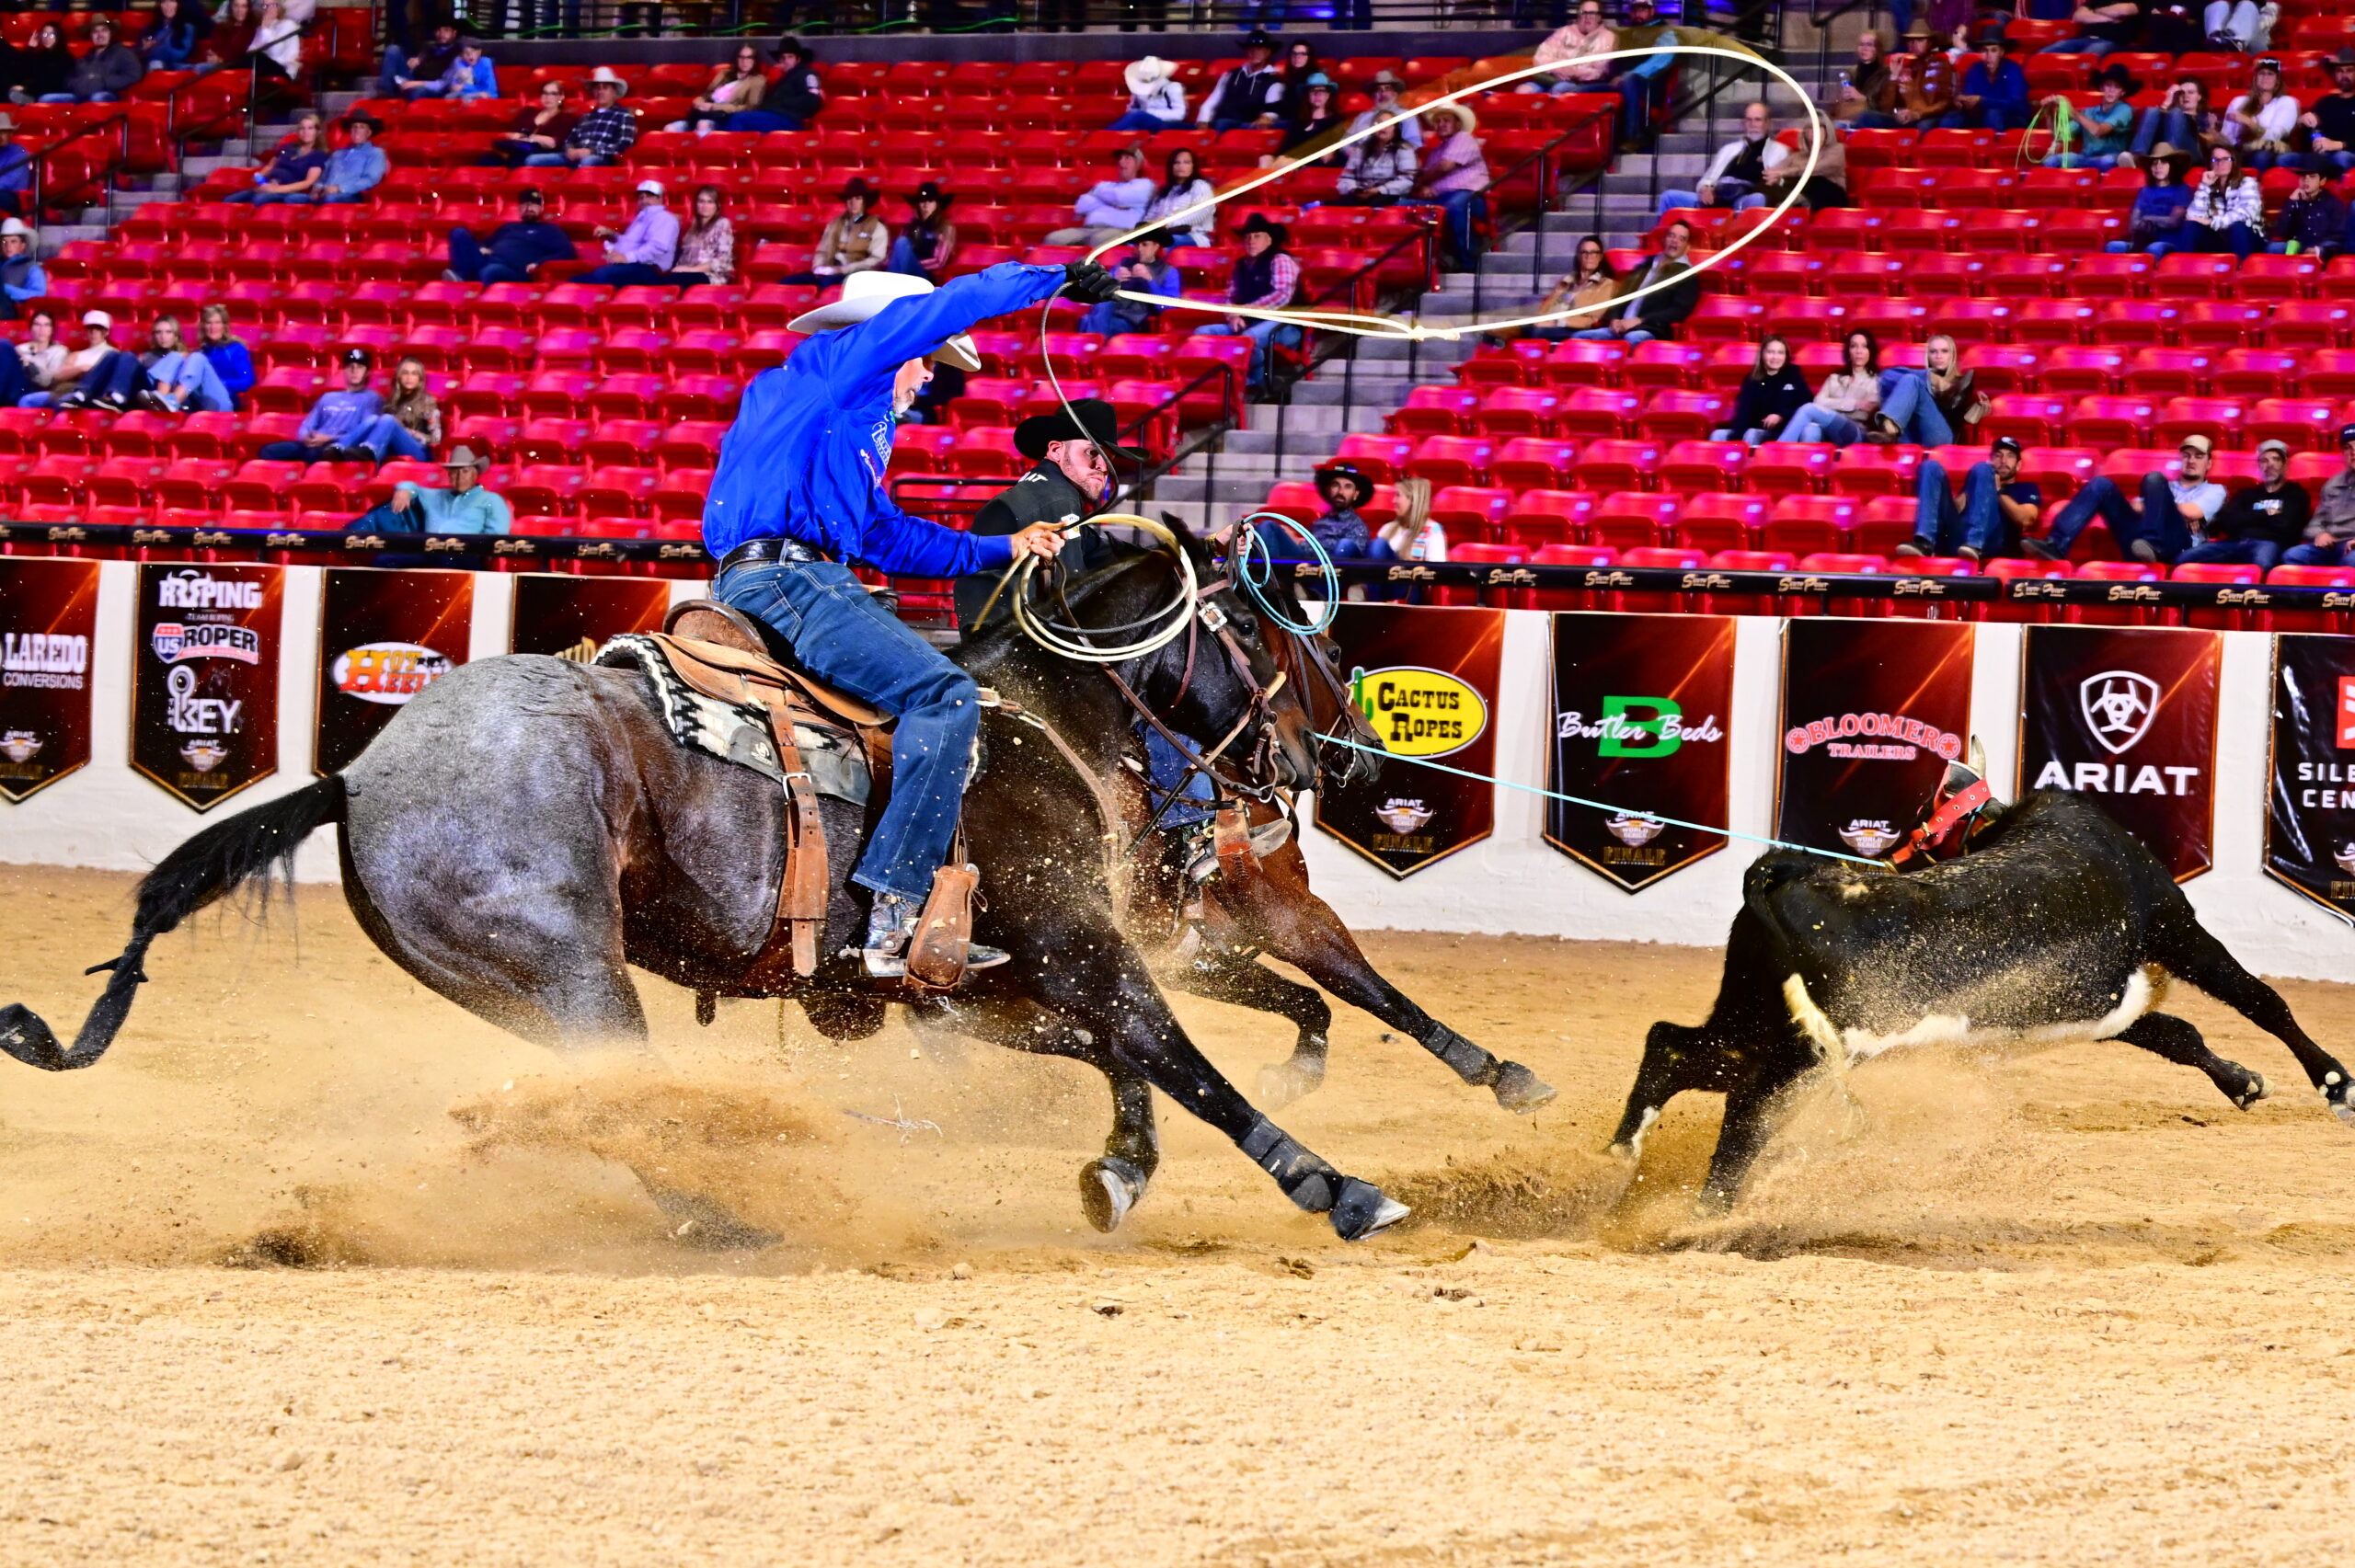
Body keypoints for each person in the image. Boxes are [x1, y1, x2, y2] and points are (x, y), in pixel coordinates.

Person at [702, 258, 1120, 978]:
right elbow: (946, 308)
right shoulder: (844, 366)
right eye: (925, 360)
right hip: (793, 579)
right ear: (891, 340)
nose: (928, 376)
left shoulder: (823, 406)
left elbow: (885, 536)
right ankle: (896, 909)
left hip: (759, 576)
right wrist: (1052, 279)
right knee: (946, 694)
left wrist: (1004, 545)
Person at [950, 395, 1149, 630]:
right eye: (1091, 452)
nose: (1102, 466)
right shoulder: (1059, 499)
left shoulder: (1045, 491)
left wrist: (1160, 557)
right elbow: (1070, 592)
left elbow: (1092, 548)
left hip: (991, 633)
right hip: (1011, 640)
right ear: (1056, 450)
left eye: (1109, 458)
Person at [2026, 432, 2226, 563]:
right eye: (2187, 455)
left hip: (2178, 546)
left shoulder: (2215, 490)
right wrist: (2163, 507)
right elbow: (2135, 506)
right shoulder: (2165, 488)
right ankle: (2056, 544)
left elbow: (2193, 511)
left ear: (2209, 463)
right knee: (2101, 484)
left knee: (2154, 478)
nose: (2191, 461)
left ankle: (2154, 544)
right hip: (2138, 544)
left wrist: (2158, 507)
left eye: (2198, 456)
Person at [1189, 213, 1299, 392]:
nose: (1251, 241)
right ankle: (1244, 382)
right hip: (1249, 322)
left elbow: (1282, 296)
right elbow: (1229, 298)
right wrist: (1233, 316)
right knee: (1202, 333)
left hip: (1283, 324)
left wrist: (1244, 311)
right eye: (1248, 237)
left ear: (1269, 240)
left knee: (1247, 339)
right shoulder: (1241, 265)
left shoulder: (1280, 260)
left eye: (1257, 236)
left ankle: (1256, 383)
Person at [1901, 435, 2041, 562]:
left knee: (1982, 468)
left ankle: (1975, 544)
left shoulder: (2026, 488)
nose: (2003, 461)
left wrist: (1998, 492)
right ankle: (1924, 542)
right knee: (1930, 466)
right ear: (1991, 460)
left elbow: (2026, 521)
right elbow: (1953, 516)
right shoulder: (1979, 479)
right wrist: (1967, 495)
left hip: (1994, 541)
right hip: (1959, 540)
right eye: (1998, 456)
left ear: (2018, 465)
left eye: (2010, 456)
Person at [2177, 440, 2309, 571]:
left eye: (2276, 459)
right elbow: (2227, 522)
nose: (2270, 465)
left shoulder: (2295, 494)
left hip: (2269, 544)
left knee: (2262, 564)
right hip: (2235, 542)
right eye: (2264, 461)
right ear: (2259, 465)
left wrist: (2247, 518)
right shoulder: (2247, 493)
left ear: (2284, 464)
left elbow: (2287, 527)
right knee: (2184, 558)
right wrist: (2267, 513)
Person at [1571, 218, 1698, 343]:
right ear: (1664, 239)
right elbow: (1622, 294)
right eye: (1671, 235)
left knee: (1632, 338)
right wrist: (1615, 318)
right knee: (1578, 338)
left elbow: (1678, 311)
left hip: (1651, 329)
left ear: (1687, 247)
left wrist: (1640, 320)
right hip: (1620, 328)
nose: (1675, 241)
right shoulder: (1646, 264)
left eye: (1681, 239)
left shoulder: (1686, 275)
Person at [1655, 100, 1784, 216]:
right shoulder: (1729, 149)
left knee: (1758, 199)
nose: (1752, 124)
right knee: (1669, 197)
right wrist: (1705, 189)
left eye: (1758, 120)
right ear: (1743, 123)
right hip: (1716, 196)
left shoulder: (1779, 151)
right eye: (1748, 120)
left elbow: (1783, 184)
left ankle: (1740, 233)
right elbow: (1706, 180)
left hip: (1742, 199)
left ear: (1768, 123)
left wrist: (1777, 180)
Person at [257, 349, 385, 464]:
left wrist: (329, 438)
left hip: (336, 446)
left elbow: (362, 431)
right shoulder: (328, 397)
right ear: (344, 371)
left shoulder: (372, 398)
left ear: (367, 372)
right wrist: (306, 437)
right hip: (312, 442)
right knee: (268, 450)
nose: (354, 371)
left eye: (359, 367)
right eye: (350, 367)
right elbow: (308, 424)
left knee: (312, 454)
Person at [347, 447, 512, 535]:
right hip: (429, 550)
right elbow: (412, 486)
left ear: (475, 474)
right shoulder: (436, 495)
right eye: (454, 472)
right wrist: (404, 490)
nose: (459, 476)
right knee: (386, 559)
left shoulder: (491, 500)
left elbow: (497, 535)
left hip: (465, 554)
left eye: (465, 471)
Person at [1867, 333, 1988, 446]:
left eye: (1944, 351)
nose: (1938, 356)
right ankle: (1890, 429)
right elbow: (1886, 377)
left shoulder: (1961, 383)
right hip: (1909, 436)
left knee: (1911, 379)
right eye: (1933, 352)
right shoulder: (1918, 381)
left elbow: (1969, 417)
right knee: (1900, 379)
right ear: (1928, 356)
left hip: (1941, 438)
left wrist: (1978, 404)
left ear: (1953, 355)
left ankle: (1889, 427)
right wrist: (1931, 377)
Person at [1408, 104, 1490, 269]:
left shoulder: (1463, 138)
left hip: (1470, 196)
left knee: (1453, 207)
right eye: (1438, 121)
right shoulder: (1435, 151)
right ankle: (1425, 263)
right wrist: (1423, 188)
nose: (1441, 124)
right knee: (1402, 206)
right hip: (1440, 197)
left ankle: (1470, 263)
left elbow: (1444, 167)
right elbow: (1429, 177)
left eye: (1446, 120)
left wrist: (1422, 182)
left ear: (1458, 124)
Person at [444, 187, 576, 285]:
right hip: (486, 260)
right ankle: (462, 277)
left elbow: (567, 252)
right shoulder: (509, 227)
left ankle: (465, 282)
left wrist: (539, 263)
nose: (528, 208)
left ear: (541, 208)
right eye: (524, 204)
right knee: (459, 233)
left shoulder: (550, 230)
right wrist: (482, 247)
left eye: (533, 204)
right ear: (519, 209)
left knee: (491, 271)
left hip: (512, 270)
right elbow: (486, 242)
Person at [1775, 329, 1882, 446]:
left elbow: (1865, 413)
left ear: (1871, 351)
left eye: (1864, 347)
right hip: (1828, 429)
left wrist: (1832, 406)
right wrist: (1855, 404)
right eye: (1853, 346)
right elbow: (1818, 402)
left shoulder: (1877, 381)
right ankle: (1806, 458)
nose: (1859, 351)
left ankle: (1779, 449)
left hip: (1856, 431)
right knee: (1810, 429)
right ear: (1848, 351)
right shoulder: (1834, 378)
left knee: (1808, 409)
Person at [777, 179, 888, 285]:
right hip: (829, 271)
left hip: (854, 275)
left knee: (827, 283)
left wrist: (843, 269)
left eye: (858, 198)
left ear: (864, 201)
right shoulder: (835, 224)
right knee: (787, 281)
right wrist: (818, 267)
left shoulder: (876, 227)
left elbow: (877, 259)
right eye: (849, 198)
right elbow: (822, 251)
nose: (853, 202)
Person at [574, 180, 682, 288]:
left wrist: (627, 257)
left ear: (660, 199)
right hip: (633, 266)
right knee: (578, 279)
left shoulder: (664, 218)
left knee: (600, 276)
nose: (644, 201)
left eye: (649, 196)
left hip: (649, 269)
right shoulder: (641, 218)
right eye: (641, 197)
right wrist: (613, 235)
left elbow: (657, 247)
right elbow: (630, 243)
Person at [525, 67, 636, 168]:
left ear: (614, 92)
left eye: (605, 88)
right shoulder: (586, 116)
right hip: (576, 155)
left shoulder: (624, 115)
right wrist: (570, 149)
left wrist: (591, 151)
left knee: (588, 161)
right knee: (533, 160)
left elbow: (623, 145)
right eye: (597, 88)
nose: (600, 92)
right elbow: (570, 139)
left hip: (601, 157)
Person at [1044, 147, 1155, 247]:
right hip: (1090, 229)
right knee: (1053, 239)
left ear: (1139, 164)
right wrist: (1112, 202)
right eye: (1120, 159)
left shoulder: (1145, 184)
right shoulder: (1106, 186)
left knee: (1097, 240)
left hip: (1122, 230)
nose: (1121, 162)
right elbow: (1082, 205)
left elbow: (1119, 197)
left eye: (1127, 158)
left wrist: (1100, 196)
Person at [1079, 228, 1180, 337]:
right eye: (1137, 245)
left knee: (1087, 322)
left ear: (1156, 247)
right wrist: (1114, 279)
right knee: (1093, 313)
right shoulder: (1123, 264)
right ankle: (1094, 339)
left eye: (1144, 245)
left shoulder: (1169, 272)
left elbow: (1167, 309)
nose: (1139, 249)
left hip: (1136, 322)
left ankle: (1093, 340)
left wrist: (1150, 280)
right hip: (1110, 315)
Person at [2169, 144, 2264, 259]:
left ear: (2233, 162)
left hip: (2248, 238)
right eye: (2215, 160)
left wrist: (2212, 222)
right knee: (2191, 226)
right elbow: (2192, 217)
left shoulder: (2247, 183)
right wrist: (2204, 186)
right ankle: (2182, 267)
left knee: (2238, 227)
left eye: (2226, 159)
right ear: (2210, 164)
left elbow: (2245, 214)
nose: (2220, 163)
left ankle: (2242, 269)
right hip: (2219, 239)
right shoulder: (2209, 186)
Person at [1714, 335, 1810, 444]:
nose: (1775, 357)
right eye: (1770, 352)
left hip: (1782, 431)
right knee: (1717, 434)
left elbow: (1806, 406)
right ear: (1762, 354)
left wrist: (1781, 415)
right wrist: (1736, 438)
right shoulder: (1752, 379)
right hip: (1756, 427)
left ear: (1786, 356)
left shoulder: (1793, 375)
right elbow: (1743, 412)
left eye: (1780, 353)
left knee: (1752, 434)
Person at [2282, 422, 2355, 567]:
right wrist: (2320, 534)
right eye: (2347, 448)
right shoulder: (2333, 484)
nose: (2353, 452)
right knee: (2292, 556)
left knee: (2351, 561)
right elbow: (2316, 522)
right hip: (2332, 544)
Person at [1523, 235, 1618, 342]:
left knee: (1538, 332)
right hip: (1549, 324)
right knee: (1517, 327)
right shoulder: (1566, 281)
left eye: (1594, 252)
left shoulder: (1607, 284)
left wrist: (1556, 322)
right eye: (1584, 252)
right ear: (1578, 256)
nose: (1589, 256)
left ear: (1600, 257)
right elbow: (1544, 310)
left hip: (1574, 328)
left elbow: (1593, 319)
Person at [2042, 63, 2135, 169]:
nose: (2111, 90)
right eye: (2108, 85)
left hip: (2109, 157)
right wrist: (2050, 113)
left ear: (2123, 92)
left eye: (2117, 87)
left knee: (2107, 161)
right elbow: (2060, 135)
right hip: (2085, 158)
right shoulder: (2089, 112)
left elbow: (2099, 131)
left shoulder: (2124, 109)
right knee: (2051, 161)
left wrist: (2072, 112)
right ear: (2102, 88)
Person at [2108, 142, 2194, 253]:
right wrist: (2155, 221)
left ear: (2171, 166)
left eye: (2163, 162)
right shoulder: (2145, 191)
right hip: (2143, 239)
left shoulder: (2182, 190)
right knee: (2113, 246)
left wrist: (2147, 218)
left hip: (2167, 241)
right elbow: (2133, 224)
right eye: (2154, 163)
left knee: (2155, 248)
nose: (2158, 167)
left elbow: (2173, 221)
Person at [222, 112, 327, 204]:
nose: (305, 132)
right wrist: (260, 179)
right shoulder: (288, 147)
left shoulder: (318, 155)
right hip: (268, 185)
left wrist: (276, 189)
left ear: (318, 132)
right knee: (229, 200)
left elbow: (308, 183)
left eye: (310, 128)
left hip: (286, 190)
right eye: (302, 128)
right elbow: (270, 166)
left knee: (259, 199)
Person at [353, 355, 440, 462]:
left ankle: (369, 449)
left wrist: (408, 432)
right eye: (405, 373)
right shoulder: (391, 401)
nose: (409, 377)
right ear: (399, 377)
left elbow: (435, 439)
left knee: (388, 420)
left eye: (414, 374)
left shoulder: (427, 402)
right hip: (394, 448)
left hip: (420, 452)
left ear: (420, 379)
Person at [1198, 29, 1284, 133]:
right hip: (1219, 121)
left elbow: (1273, 109)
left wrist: (1267, 117)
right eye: (1251, 49)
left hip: (1246, 126)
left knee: (1223, 124)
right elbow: (1213, 100)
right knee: (1179, 127)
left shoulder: (1273, 80)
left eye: (1259, 49)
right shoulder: (1231, 74)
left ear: (1268, 52)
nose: (1254, 52)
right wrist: (1203, 120)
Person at [2223, 56, 2299, 172]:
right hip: (2239, 150)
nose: (2265, 77)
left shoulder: (2286, 102)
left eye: (2270, 74)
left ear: (2278, 80)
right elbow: (2227, 136)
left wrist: (2248, 122)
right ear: (2255, 78)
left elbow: (2274, 136)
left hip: (2270, 151)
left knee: (2261, 156)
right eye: (2261, 73)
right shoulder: (2238, 101)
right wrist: (2212, 130)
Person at [658, 185, 735, 290]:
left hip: (711, 275)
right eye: (701, 201)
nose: (705, 206)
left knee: (674, 280)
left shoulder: (722, 224)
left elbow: (722, 260)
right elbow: (684, 257)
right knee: (659, 279)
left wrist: (691, 270)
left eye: (710, 202)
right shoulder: (693, 226)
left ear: (717, 205)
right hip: (688, 273)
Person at [1529, 1, 1616, 95]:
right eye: (1584, 13)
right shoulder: (1564, 32)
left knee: (1560, 89)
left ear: (1599, 17)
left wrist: (1567, 70)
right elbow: (1540, 58)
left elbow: (1597, 72)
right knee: (1525, 89)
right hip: (1551, 78)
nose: (1588, 17)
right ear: (1578, 15)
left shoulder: (1607, 37)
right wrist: (1562, 69)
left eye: (1592, 13)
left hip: (1581, 84)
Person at [678, 42, 767, 133]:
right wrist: (699, 102)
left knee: (702, 124)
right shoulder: (724, 74)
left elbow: (750, 107)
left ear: (755, 60)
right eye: (741, 57)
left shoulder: (758, 80)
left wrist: (713, 107)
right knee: (671, 128)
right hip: (703, 112)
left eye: (749, 58)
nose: (744, 61)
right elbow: (707, 94)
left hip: (724, 116)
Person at [484, 80, 574, 168]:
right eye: (545, 93)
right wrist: (522, 137)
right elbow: (509, 134)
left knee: (523, 159)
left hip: (540, 154)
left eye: (553, 94)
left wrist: (527, 137)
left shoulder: (566, 118)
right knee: (487, 159)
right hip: (516, 149)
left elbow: (553, 143)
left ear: (561, 97)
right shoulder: (528, 112)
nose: (547, 97)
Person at [1949, 35, 2029, 132]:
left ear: (2001, 52)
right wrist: (1962, 101)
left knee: (1993, 114)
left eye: (1993, 50)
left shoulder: (2013, 69)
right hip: (1981, 115)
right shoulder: (1975, 69)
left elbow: (2016, 104)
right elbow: (1969, 96)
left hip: (2013, 117)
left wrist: (1983, 100)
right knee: (1952, 118)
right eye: (1984, 50)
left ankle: (1995, 142)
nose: (1988, 55)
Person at [2128, 78, 2219, 163]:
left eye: (2191, 92)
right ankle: (2136, 157)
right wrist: (2168, 100)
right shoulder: (2169, 114)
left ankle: (2170, 159)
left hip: (2189, 154)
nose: (2186, 96)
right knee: (2152, 111)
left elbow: (2215, 146)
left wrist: (2211, 128)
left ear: (2199, 97)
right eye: (2181, 93)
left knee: (2176, 112)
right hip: (2159, 151)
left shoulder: (2205, 116)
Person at [1138, 148, 1214, 247]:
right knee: (1133, 243)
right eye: (1177, 163)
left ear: (1193, 166)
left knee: (1162, 243)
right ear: (1171, 167)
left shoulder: (1200, 185)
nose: (1181, 166)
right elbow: (1150, 216)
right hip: (1160, 234)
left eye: (1186, 162)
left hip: (1193, 235)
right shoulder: (1165, 191)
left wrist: (1168, 223)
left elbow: (1200, 213)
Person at [57, 17, 142, 105]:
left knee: (97, 98)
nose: (100, 35)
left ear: (110, 33)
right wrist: (80, 84)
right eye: (95, 32)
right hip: (82, 94)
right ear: (91, 36)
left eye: (104, 30)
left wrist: (103, 82)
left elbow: (133, 75)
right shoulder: (84, 59)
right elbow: (69, 80)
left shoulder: (123, 53)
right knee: (50, 98)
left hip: (110, 94)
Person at [2269, 165, 2345, 259]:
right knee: (2275, 247)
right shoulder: (2294, 201)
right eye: (2303, 177)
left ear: (2322, 181)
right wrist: (2291, 203)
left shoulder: (2333, 203)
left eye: (2312, 177)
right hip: (2297, 248)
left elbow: (2338, 236)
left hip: (2322, 250)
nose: (2306, 180)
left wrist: (2320, 249)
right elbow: (2281, 232)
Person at [1890, 24, 1956, 130]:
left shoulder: (1942, 65)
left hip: (1929, 116)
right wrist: (1893, 77)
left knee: (1924, 125)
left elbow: (1945, 102)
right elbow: (1887, 106)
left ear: (1930, 43)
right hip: (1907, 117)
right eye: (1910, 41)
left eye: (1920, 40)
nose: (1913, 45)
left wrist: (1919, 114)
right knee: (1869, 118)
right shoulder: (1905, 67)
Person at [2301, 49, 2355, 178]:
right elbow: (2311, 133)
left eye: (2349, 70)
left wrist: (2339, 145)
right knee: (2284, 159)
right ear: (2334, 74)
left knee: (2341, 157)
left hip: (2349, 153)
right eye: (2340, 71)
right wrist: (2304, 124)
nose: (2344, 75)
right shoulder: (2325, 102)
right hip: (2322, 154)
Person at [1334, 120, 1417, 205]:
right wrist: (1354, 189)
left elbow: (1407, 181)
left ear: (1396, 129)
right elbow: (1346, 178)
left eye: (1388, 124)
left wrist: (1378, 190)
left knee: (1375, 204)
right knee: (1339, 205)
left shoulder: (1404, 149)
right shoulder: (1361, 149)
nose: (1383, 127)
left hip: (1389, 194)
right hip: (1361, 193)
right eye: (1379, 123)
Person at [312, 113, 388, 204]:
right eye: (354, 127)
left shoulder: (375, 153)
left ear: (368, 133)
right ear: (350, 131)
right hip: (326, 193)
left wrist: (340, 188)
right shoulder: (338, 153)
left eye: (362, 127)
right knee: (296, 198)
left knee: (330, 199)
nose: (357, 130)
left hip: (352, 195)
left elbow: (370, 180)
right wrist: (317, 187)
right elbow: (324, 177)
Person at [887, 183, 956, 281]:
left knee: (902, 242)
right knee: (901, 242)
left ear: (937, 205)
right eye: (922, 201)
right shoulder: (909, 227)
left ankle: (891, 284)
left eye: (930, 201)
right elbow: (895, 255)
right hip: (903, 272)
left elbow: (939, 262)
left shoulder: (945, 228)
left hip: (924, 276)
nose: (925, 206)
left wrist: (909, 262)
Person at [752, 37, 822, 132]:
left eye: (790, 57)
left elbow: (813, 100)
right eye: (783, 58)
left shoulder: (807, 74)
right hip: (776, 117)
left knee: (739, 119)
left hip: (792, 120)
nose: (786, 61)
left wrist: (780, 104)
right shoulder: (783, 80)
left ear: (798, 59)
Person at [1302, 462, 1373, 557]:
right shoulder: (1318, 523)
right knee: (1279, 530)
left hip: (1333, 566)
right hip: (1305, 564)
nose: (1340, 492)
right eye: (1335, 485)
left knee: (1345, 544)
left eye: (1348, 487)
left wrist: (1304, 547)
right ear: (1328, 490)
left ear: (1356, 495)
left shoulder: (1358, 527)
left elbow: (1349, 558)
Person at [1269, 74, 1343, 164]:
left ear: (1328, 95)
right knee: (1266, 159)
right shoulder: (1299, 122)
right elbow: (1284, 149)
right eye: (1313, 91)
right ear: (1307, 96)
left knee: (1283, 161)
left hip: (1313, 166)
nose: (1317, 94)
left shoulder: (1335, 122)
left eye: (1322, 91)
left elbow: (1327, 157)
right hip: (1290, 163)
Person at [381, 17, 461, 97]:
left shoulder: (458, 53)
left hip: (431, 88)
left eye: (446, 30)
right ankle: (387, 93)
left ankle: (397, 94)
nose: (441, 34)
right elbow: (417, 63)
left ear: (454, 33)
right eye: (438, 30)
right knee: (393, 49)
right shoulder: (430, 47)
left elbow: (443, 84)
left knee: (418, 91)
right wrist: (414, 62)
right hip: (413, 79)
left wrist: (417, 83)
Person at [1832, 29, 1897, 126]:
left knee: (1865, 117)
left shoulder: (1887, 73)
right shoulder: (1850, 73)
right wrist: (1842, 97)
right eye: (1861, 44)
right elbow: (1835, 105)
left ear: (1878, 49)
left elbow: (1886, 108)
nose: (1864, 48)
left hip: (1876, 117)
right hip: (1851, 114)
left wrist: (1862, 98)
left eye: (1869, 45)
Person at [2038, 1, 2143, 59]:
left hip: (2110, 41)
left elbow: (2125, 10)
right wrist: (2110, 18)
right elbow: (2078, 16)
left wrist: (2094, 12)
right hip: (2083, 39)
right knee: (2041, 55)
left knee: (2083, 61)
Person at [195, 303, 254, 408]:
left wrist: (217, 383)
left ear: (224, 326)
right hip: (201, 398)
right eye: (209, 323)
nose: (213, 327)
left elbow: (246, 381)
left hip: (227, 398)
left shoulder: (236, 349)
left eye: (217, 323)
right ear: (203, 326)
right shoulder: (201, 352)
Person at [1349, 70, 1425, 149]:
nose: (1383, 94)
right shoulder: (1362, 117)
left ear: (1395, 94)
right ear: (1373, 95)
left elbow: (1414, 144)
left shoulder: (1407, 116)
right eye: (1378, 89)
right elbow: (1346, 143)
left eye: (1387, 89)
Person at [1110, 54, 1186, 133]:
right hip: (1144, 122)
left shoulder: (1173, 87)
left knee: (1137, 115)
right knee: (1131, 129)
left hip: (1168, 123)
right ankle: (1108, 137)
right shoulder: (1138, 88)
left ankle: (1106, 134)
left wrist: (1148, 113)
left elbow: (1179, 114)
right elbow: (1132, 108)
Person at [137, 0, 206, 73]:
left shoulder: (187, 28)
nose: (168, 5)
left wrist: (156, 47)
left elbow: (180, 55)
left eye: (172, 1)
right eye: (164, 2)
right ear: (160, 5)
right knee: (155, 64)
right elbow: (137, 53)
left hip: (176, 67)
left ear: (179, 4)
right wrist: (143, 49)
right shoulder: (149, 28)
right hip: (153, 65)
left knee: (202, 67)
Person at [13, 24, 73, 105]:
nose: (47, 38)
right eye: (44, 34)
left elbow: (51, 83)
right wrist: (30, 48)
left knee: (44, 98)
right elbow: (23, 71)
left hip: (56, 94)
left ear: (58, 37)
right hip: (39, 93)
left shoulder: (65, 58)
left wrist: (26, 88)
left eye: (51, 35)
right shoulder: (41, 56)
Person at [15, 310, 63, 401]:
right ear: (31, 328)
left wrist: (29, 365)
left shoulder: (59, 351)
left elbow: (48, 381)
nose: (41, 329)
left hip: (38, 390)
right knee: (4, 346)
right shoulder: (20, 349)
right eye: (37, 324)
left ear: (52, 329)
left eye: (46, 325)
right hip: (17, 386)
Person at [0, 217, 42, 319]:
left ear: (22, 245)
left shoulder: (32, 268)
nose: (8, 246)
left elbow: (39, 295)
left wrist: (8, 290)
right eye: (4, 242)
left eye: (13, 241)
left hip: (15, 315)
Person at [0, 115, 26, 220]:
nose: (0, 136)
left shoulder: (18, 152)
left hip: (14, 196)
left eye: (4, 132)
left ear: (10, 134)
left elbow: (10, 181)